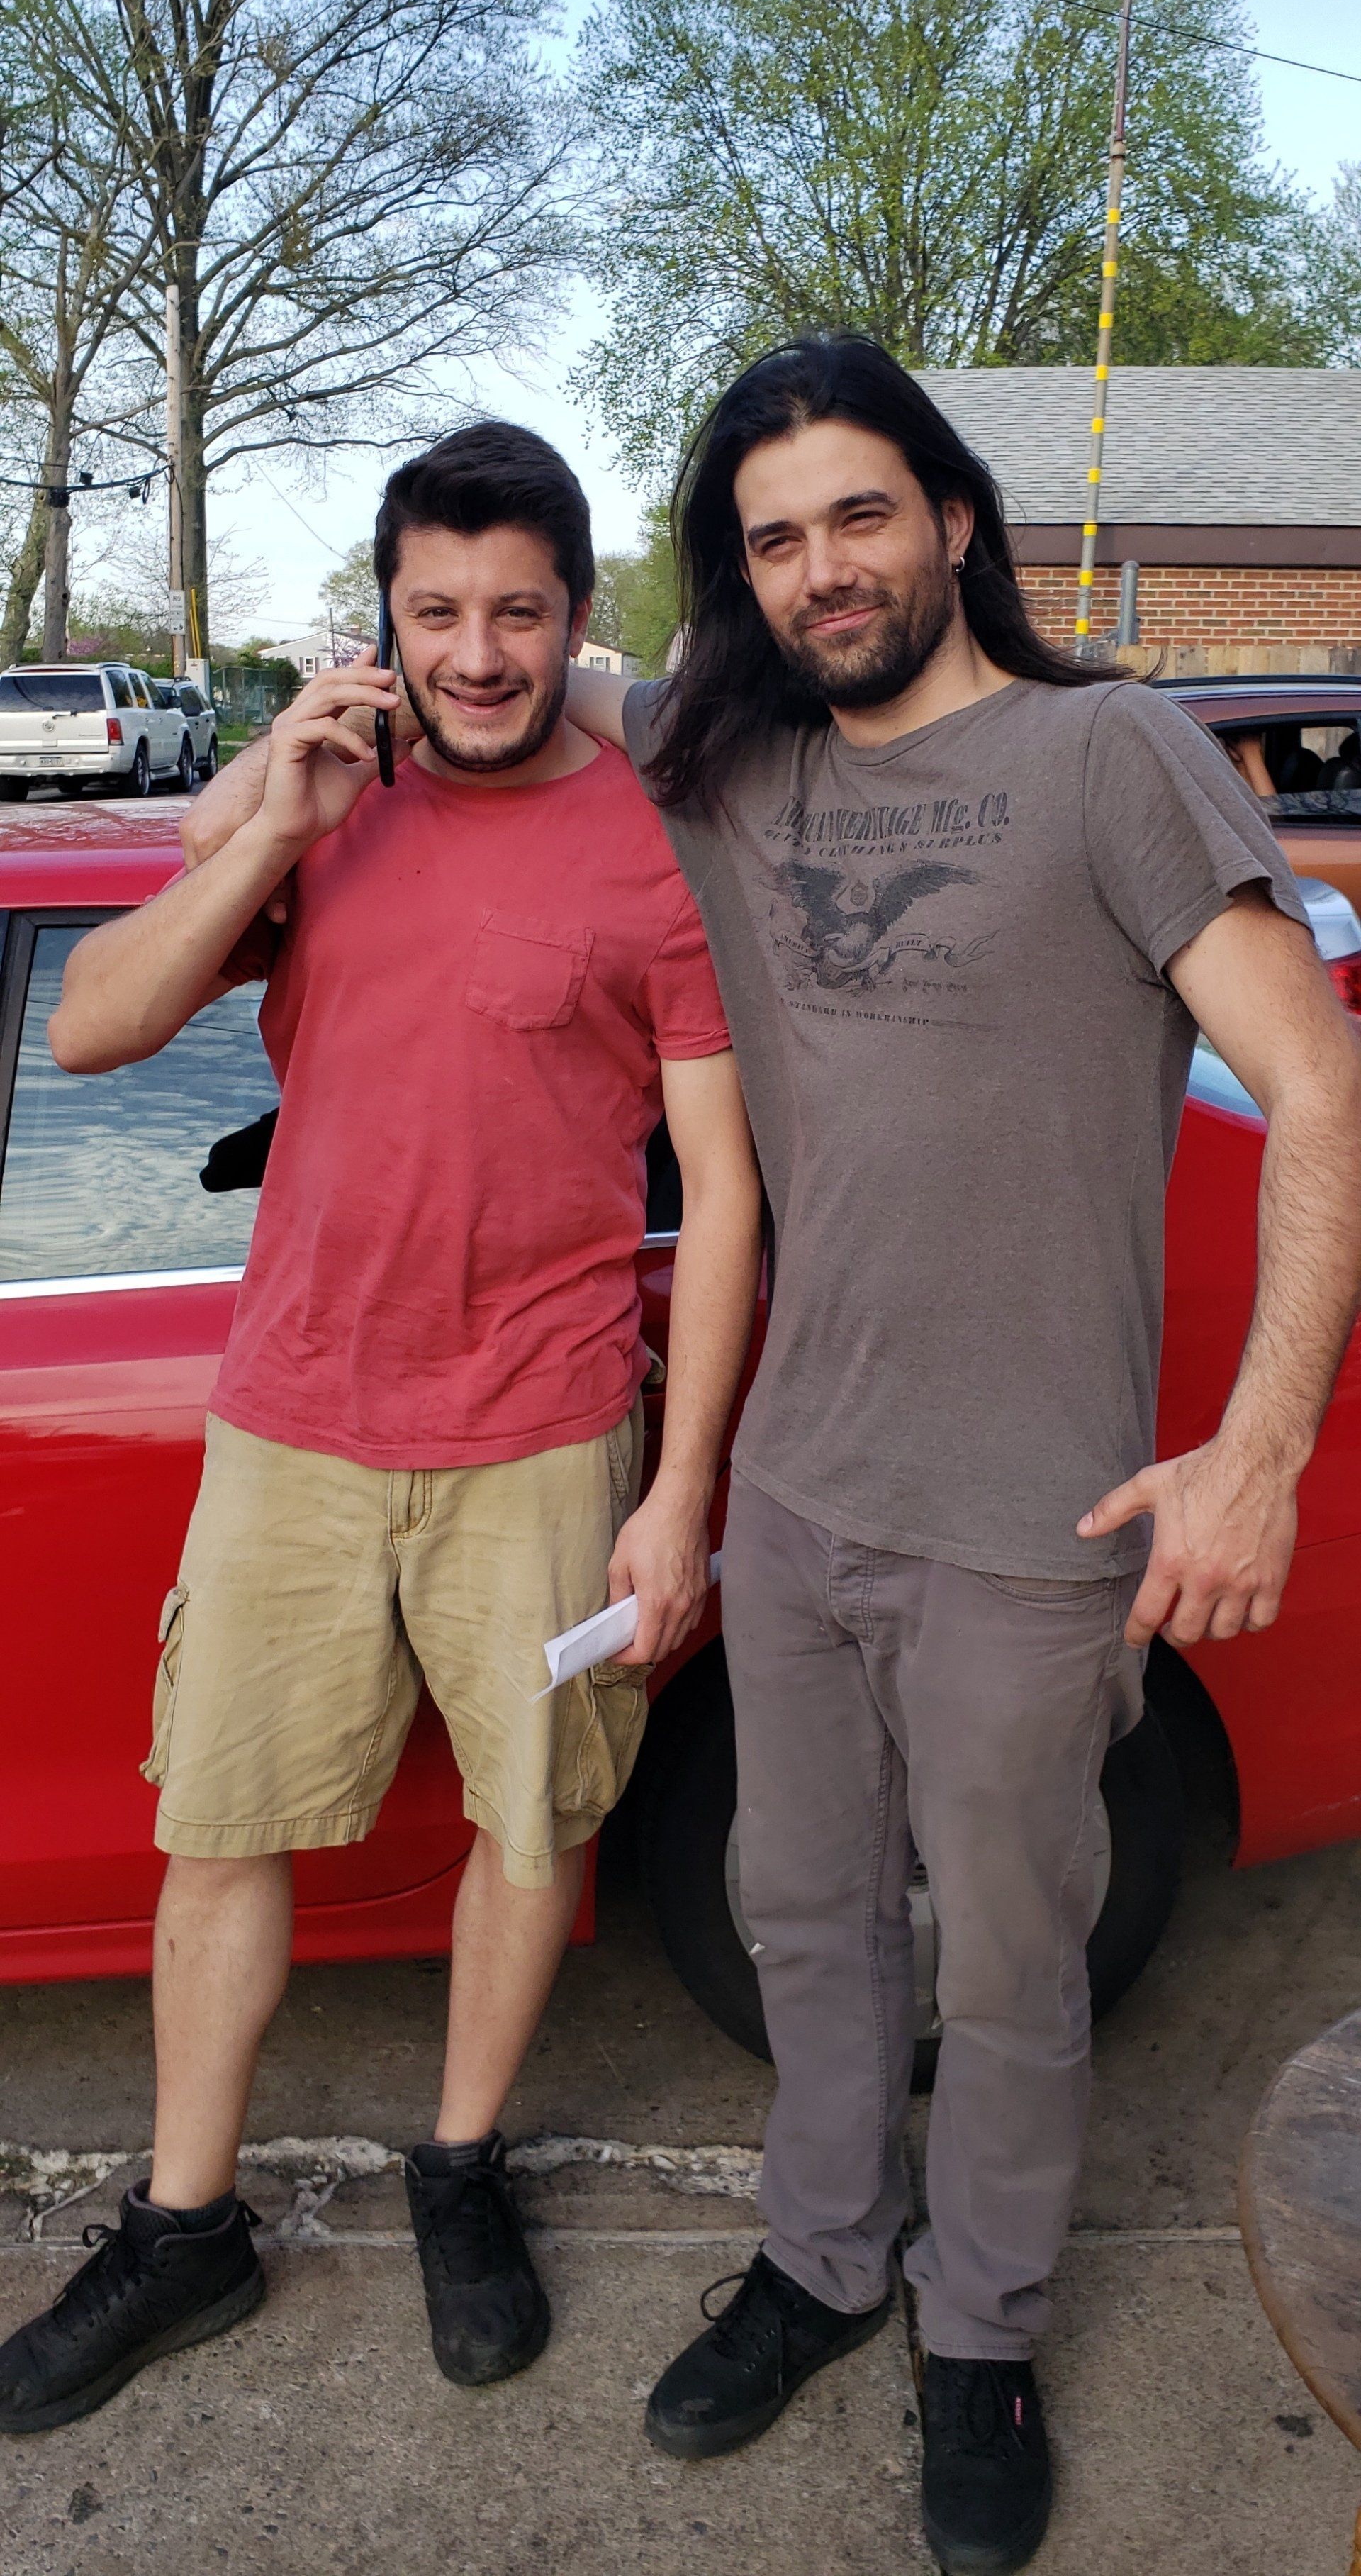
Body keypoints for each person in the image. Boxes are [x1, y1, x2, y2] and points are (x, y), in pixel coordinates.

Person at [559, 338, 1361, 2575]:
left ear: (956, 519)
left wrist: (1257, 1448)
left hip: (1033, 1526)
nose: (824, 569)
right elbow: (540, 672)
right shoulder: (731, 762)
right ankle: (827, 2262)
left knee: (1013, 1961)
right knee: (801, 1913)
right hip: (799, 1496)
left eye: (859, 516)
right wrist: (345, 707)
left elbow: (1322, 1094)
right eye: (777, 536)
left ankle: (979, 2330)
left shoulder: (1111, 759)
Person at [0, 422, 761, 2437]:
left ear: (579, 620)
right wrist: (270, 821)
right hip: (300, 1423)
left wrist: (680, 1490)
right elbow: (91, 1029)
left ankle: (462, 2164)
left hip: (544, 1425)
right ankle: (186, 2229)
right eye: (441, 612)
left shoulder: (657, 840)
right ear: (389, 623)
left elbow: (728, 1181)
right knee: (221, 1829)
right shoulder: (313, 810)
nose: (482, 651)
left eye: (521, 611)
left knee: (532, 1820)